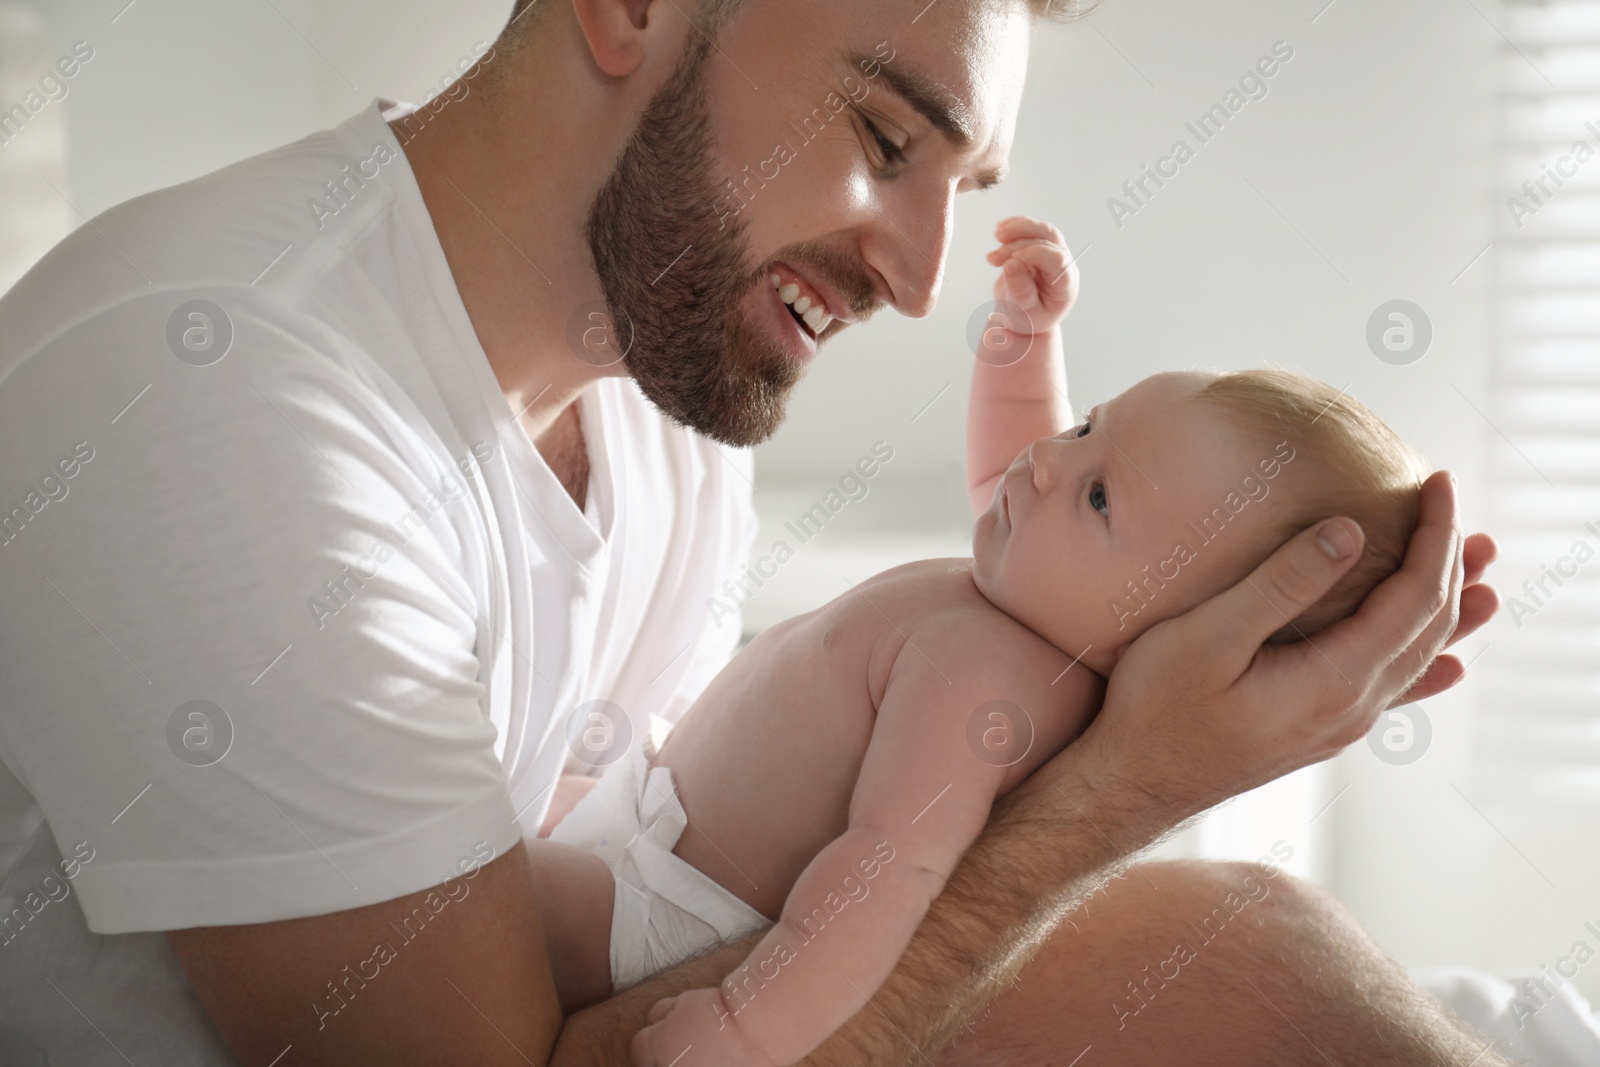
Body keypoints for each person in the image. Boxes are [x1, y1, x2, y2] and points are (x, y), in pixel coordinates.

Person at [0, 1, 1501, 1065]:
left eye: (962, 188)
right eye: (883, 133)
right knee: (1227, 953)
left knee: (1243, 955)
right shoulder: (221, 394)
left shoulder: (667, 398)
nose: (924, 280)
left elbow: (677, 877)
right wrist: (1110, 797)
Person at [534, 217, 1431, 1066]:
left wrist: (745, 1026)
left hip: (659, 912)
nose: (1047, 460)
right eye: (1088, 428)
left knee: (462, 911)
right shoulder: (1041, 605)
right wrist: (1026, 338)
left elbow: (885, 874)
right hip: (647, 817)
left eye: (1101, 498)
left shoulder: (988, 680)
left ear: (1181, 634)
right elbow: (1015, 459)